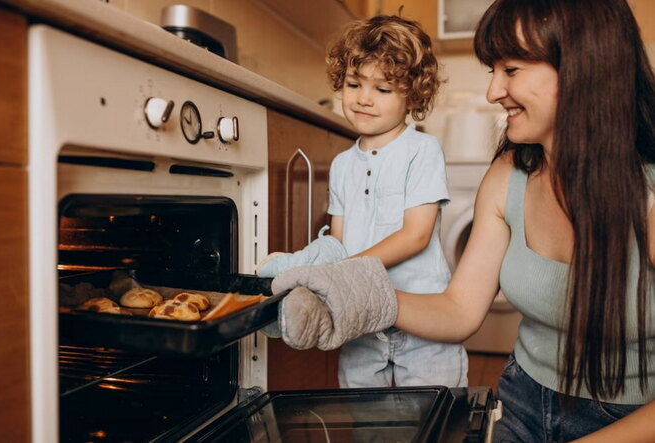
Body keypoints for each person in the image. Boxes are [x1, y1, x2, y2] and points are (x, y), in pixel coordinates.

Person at [269, 0, 655, 441]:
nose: (493, 92)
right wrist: (358, 295)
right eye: (493, 70)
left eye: (511, 70)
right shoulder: (507, 175)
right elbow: (459, 311)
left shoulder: (649, 198)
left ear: (587, 68)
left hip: (626, 421)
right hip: (521, 399)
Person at [258, 14, 468, 389]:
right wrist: (302, 267)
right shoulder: (341, 164)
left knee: (435, 419)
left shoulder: (422, 150)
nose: (364, 99)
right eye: (354, 84)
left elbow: (415, 235)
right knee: (368, 421)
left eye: (383, 89)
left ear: (413, 96)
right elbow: (337, 243)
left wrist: (342, 276)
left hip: (422, 321)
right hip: (359, 323)